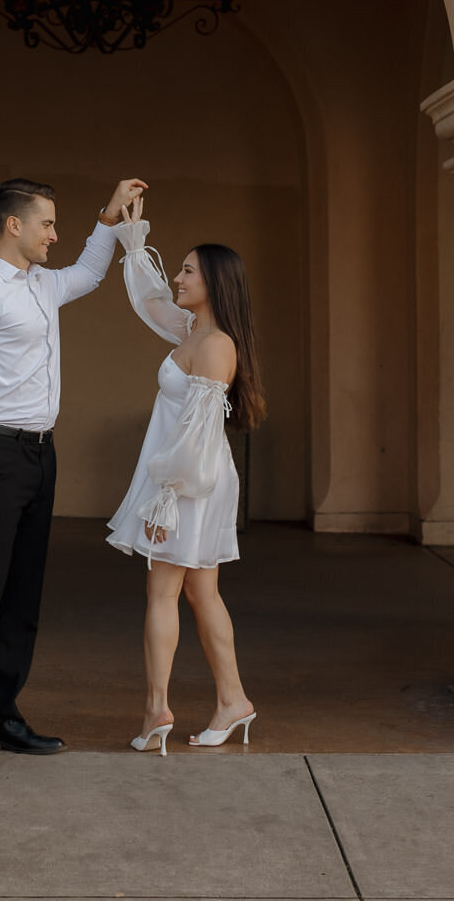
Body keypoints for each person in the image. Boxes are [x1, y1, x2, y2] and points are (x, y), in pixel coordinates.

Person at [0, 173, 148, 789]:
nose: (56, 233)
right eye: (48, 223)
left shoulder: (42, 285)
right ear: (14, 225)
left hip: (39, 457)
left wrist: (109, 216)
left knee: (21, 600)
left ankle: (1, 716)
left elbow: (92, 272)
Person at [107, 197, 265, 754]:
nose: (177, 275)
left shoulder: (216, 345)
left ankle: (156, 711)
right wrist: (129, 234)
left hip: (189, 481)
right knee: (201, 591)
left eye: (188, 269)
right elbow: (149, 300)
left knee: (163, 590)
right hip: (183, 478)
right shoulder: (192, 328)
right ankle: (233, 699)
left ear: (215, 283)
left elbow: (199, 438)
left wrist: (165, 495)